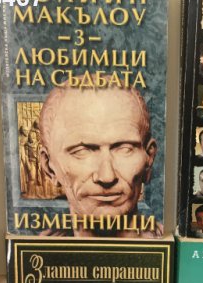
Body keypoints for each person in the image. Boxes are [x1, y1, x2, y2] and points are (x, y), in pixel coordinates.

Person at [37, 86, 162, 237]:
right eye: (81, 151)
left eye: (125, 149)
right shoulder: (34, 249)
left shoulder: (167, 242)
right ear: (49, 167)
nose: (107, 177)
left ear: (149, 159)